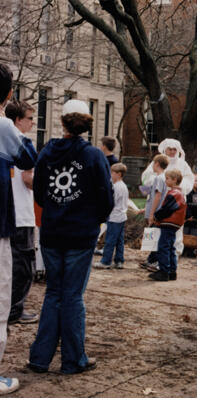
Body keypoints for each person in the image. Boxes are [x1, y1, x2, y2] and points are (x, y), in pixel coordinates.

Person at [28, 99, 114, 374]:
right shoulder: (93, 156)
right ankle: (73, 359)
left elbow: (40, 193)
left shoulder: (47, 152)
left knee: (54, 293)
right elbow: (106, 197)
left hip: (53, 232)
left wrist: (57, 210)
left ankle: (40, 358)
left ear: (62, 121)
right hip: (80, 234)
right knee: (73, 296)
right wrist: (92, 219)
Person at [0, 63, 37, 395]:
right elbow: (28, 159)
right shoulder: (4, 128)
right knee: (0, 300)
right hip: (0, 226)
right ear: (9, 94)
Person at [5, 101, 38, 324]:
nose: (33, 122)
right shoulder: (22, 143)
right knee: (24, 266)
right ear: (18, 120)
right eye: (29, 118)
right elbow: (28, 179)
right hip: (22, 213)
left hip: (7, 211)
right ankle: (15, 310)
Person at [141, 138, 194, 257]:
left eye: (174, 149)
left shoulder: (182, 164)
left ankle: (174, 252)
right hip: (159, 200)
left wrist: (178, 185)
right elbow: (146, 177)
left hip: (174, 201)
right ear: (165, 149)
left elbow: (189, 180)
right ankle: (154, 255)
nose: (172, 151)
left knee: (174, 228)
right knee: (156, 227)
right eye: (169, 149)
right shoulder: (158, 162)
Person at [149, 169, 187, 281]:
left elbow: (167, 209)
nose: (165, 180)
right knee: (170, 247)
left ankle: (163, 271)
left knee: (163, 246)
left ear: (174, 180)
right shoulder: (180, 194)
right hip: (174, 224)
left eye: (167, 178)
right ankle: (172, 271)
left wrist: (156, 216)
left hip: (168, 222)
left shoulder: (174, 194)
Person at [94, 163, 128, 269]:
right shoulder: (123, 186)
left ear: (119, 174)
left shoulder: (116, 187)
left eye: (112, 173)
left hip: (114, 217)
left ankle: (106, 261)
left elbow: (111, 202)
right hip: (122, 216)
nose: (110, 174)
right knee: (119, 241)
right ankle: (119, 260)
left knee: (110, 240)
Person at [139, 154, 169, 270]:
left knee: (153, 237)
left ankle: (155, 261)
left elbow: (157, 196)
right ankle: (151, 259)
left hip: (156, 213)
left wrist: (151, 214)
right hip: (156, 211)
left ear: (156, 164)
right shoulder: (163, 177)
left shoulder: (158, 178)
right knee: (154, 237)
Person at [183, 173, 197, 257]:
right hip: (188, 219)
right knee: (186, 234)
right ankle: (183, 250)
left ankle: (191, 251)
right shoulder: (188, 193)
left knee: (194, 235)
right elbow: (185, 205)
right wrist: (187, 216)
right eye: (195, 180)